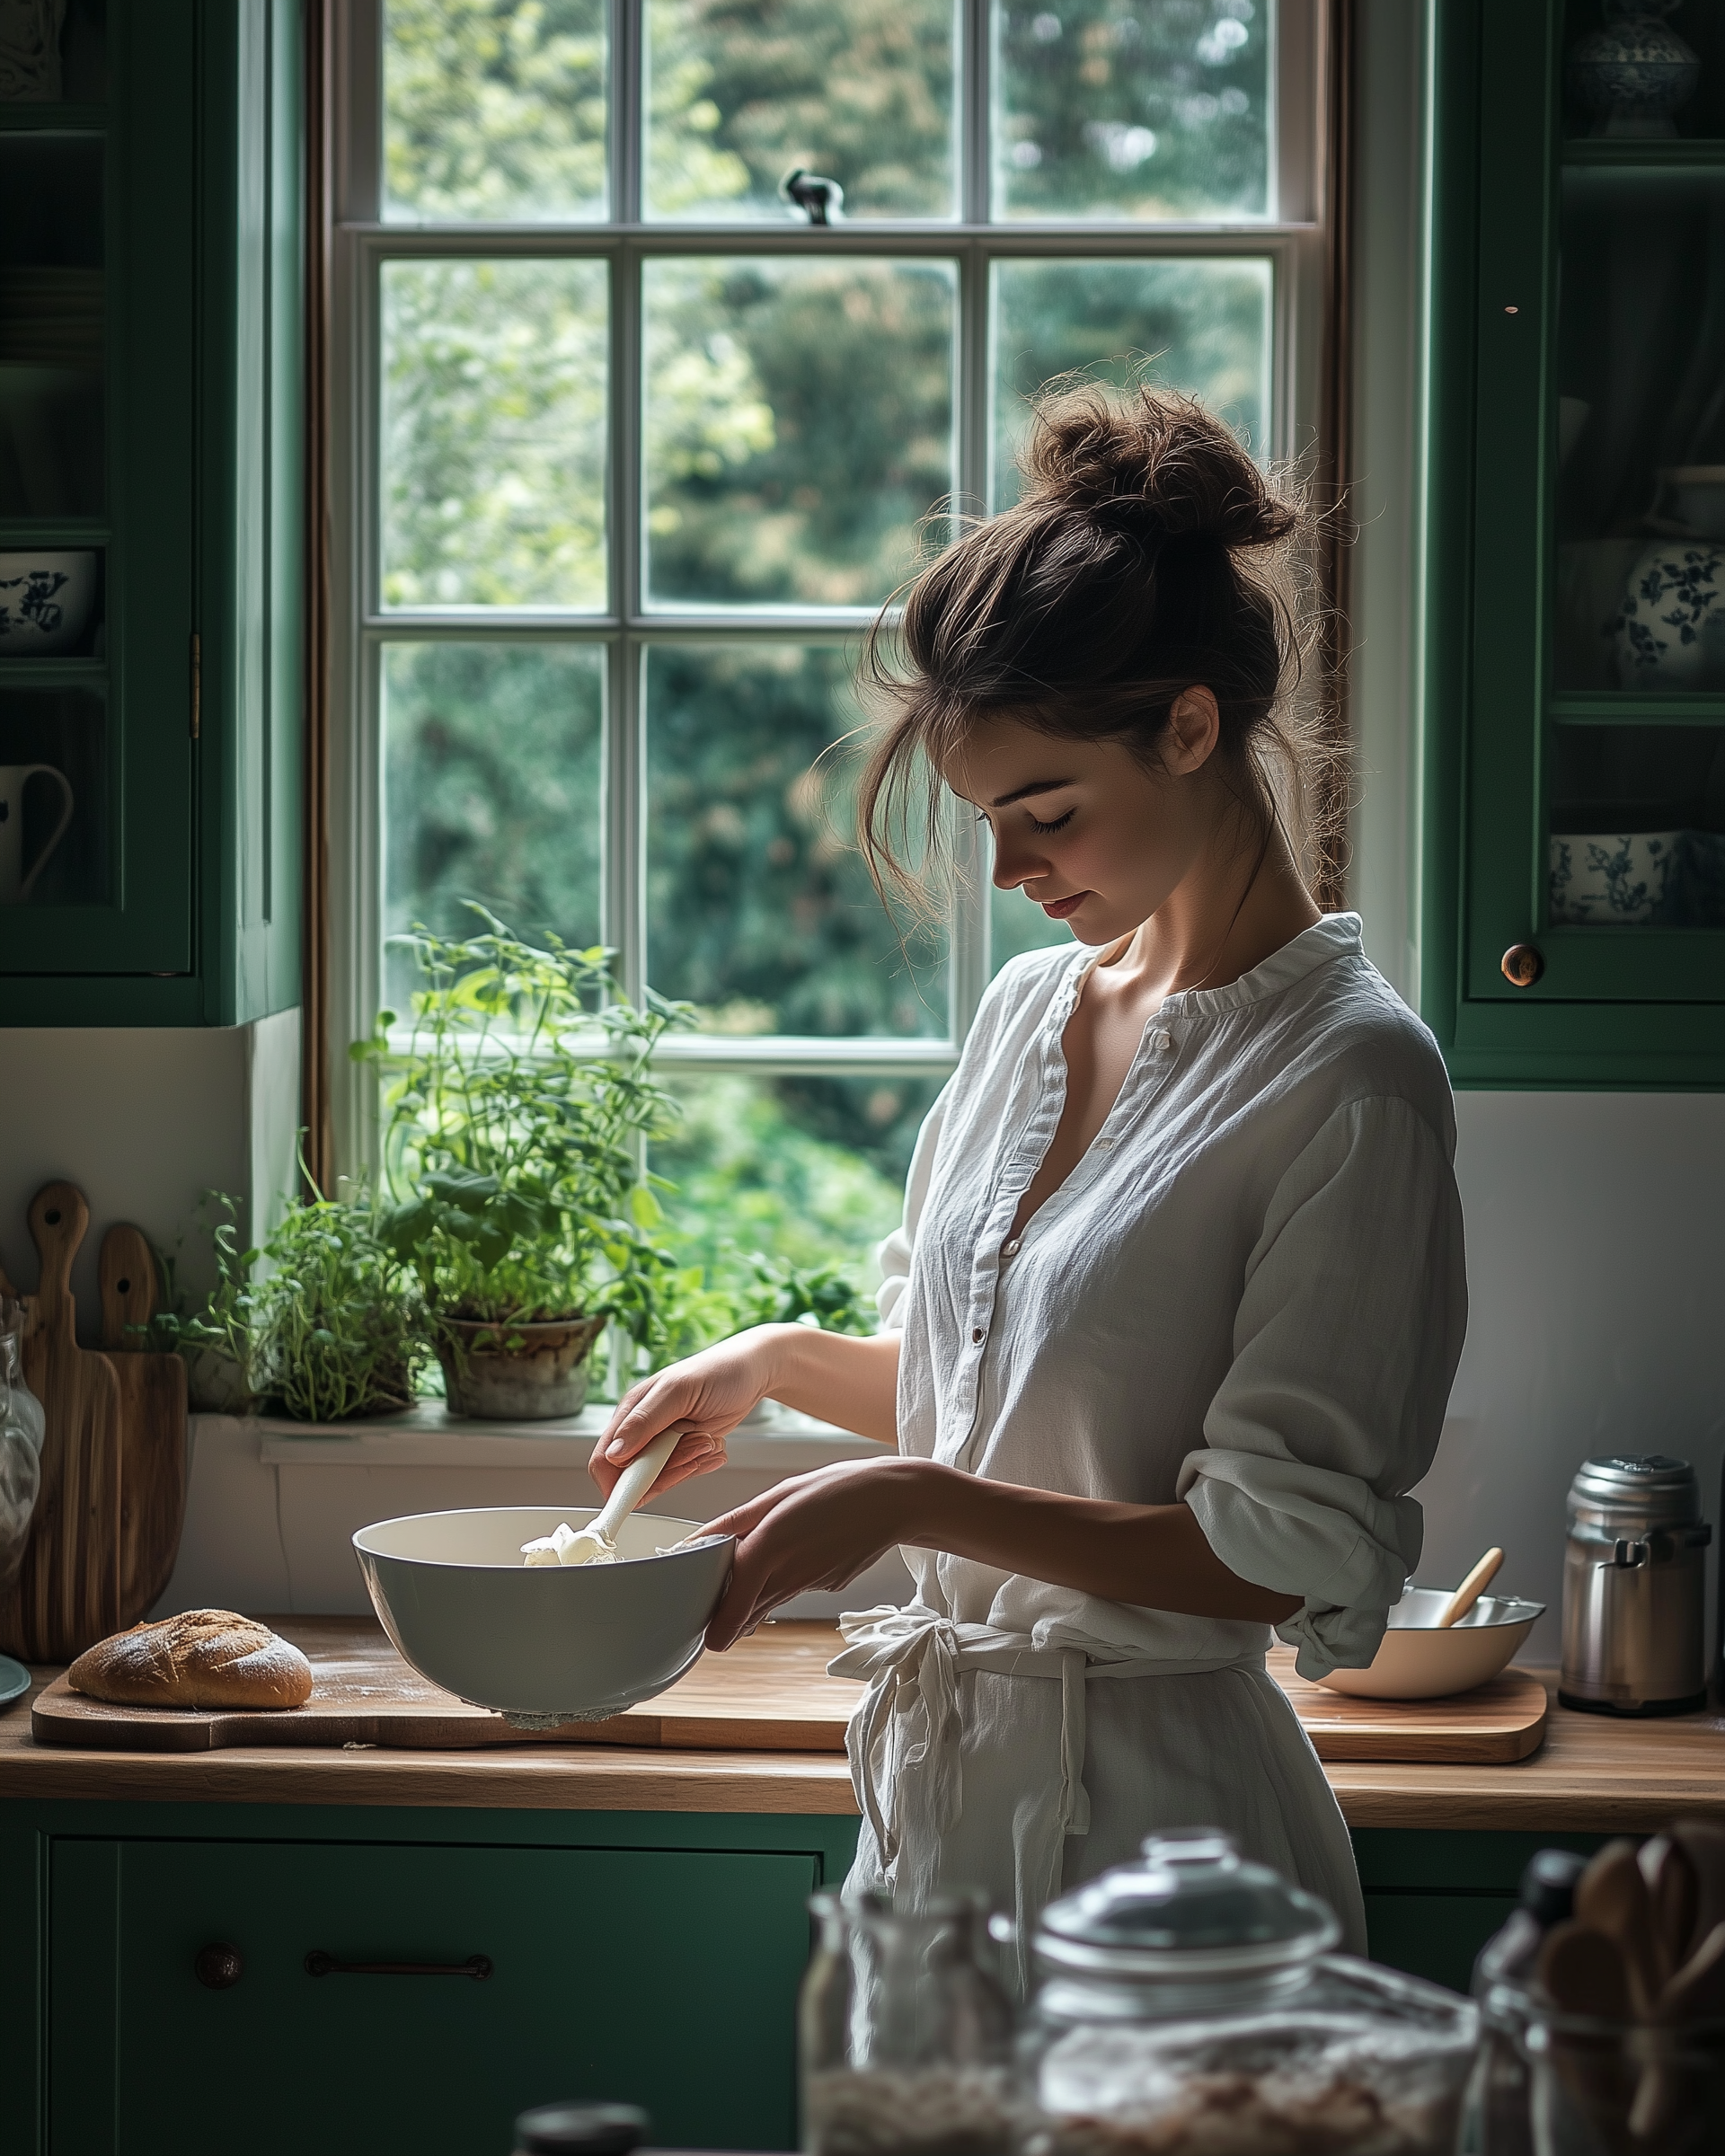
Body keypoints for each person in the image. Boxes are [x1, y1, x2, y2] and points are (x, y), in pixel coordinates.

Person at [591, 384, 1466, 1971]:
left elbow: (1266, 1550)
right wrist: (781, 1366)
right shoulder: (1026, 1018)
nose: (1008, 869)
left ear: (1190, 729)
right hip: (934, 1824)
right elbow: (1020, 1395)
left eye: (1045, 810)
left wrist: (913, 1498)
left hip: (1170, 1850)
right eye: (989, 818)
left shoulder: (1354, 1082)